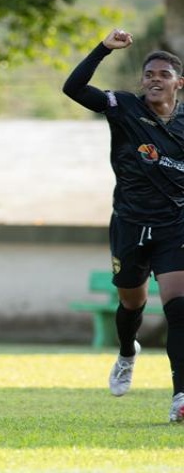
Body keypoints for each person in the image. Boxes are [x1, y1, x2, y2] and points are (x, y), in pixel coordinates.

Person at [63, 28, 184, 422]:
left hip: (175, 226)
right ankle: (127, 351)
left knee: (178, 309)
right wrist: (103, 48)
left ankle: (180, 396)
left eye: (163, 74)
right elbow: (73, 87)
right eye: (149, 73)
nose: (153, 78)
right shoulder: (125, 107)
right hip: (130, 223)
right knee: (131, 302)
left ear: (178, 83)